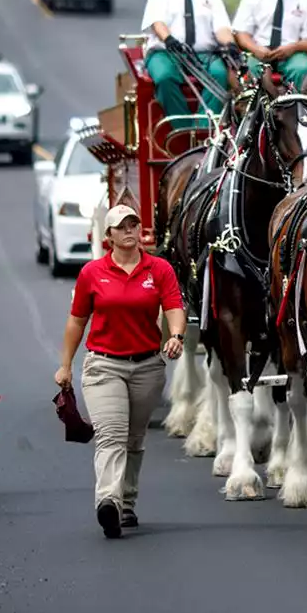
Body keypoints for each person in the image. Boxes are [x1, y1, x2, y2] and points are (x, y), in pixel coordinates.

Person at [54, 205, 187, 538]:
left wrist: (176, 336)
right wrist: (65, 364)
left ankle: (126, 503)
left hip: (147, 366)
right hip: (103, 365)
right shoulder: (92, 273)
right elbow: (76, 321)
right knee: (111, 436)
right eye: (121, 226)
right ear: (108, 235)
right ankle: (108, 502)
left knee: (133, 439)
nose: (129, 230)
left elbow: (173, 307)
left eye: (134, 224)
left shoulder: (159, 269)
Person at [141, 0, 240, 129]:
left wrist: (230, 45)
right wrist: (168, 39)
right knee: (163, 77)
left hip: (204, 54)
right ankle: (183, 128)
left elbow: (222, 28)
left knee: (220, 73)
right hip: (167, 53)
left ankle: (205, 129)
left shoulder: (212, 0)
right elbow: (157, 23)